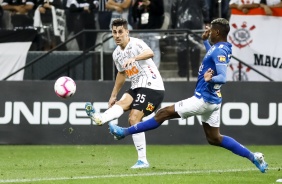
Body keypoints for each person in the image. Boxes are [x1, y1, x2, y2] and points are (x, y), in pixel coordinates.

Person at [108, 18, 268, 173]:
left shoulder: (219, 50)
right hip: (214, 100)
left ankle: (124, 132)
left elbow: (222, 77)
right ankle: (254, 157)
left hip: (203, 99)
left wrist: (210, 78)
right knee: (215, 138)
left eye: (211, 30)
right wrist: (206, 41)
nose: (208, 32)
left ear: (217, 32)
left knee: (162, 114)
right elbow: (213, 56)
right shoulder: (219, 47)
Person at [85, 18, 165, 169]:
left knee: (133, 118)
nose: (117, 35)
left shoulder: (135, 43)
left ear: (127, 32)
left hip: (152, 86)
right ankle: (100, 118)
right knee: (121, 103)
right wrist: (113, 95)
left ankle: (143, 160)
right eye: (114, 32)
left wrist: (134, 57)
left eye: (120, 32)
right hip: (136, 86)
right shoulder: (116, 54)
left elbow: (150, 52)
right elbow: (121, 74)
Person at [171, 0, 210, 78]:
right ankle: (195, 71)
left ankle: (182, 72)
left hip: (181, 21)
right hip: (196, 20)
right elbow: (205, 7)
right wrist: (207, 20)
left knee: (182, 47)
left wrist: (173, 24)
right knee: (195, 46)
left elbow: (174, 9)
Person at [132, 0, 164, 68]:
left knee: (154, 49)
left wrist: (150, 4)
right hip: (142, 29)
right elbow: (134, 14)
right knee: (142, 50)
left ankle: (155, 70)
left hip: (153, 28)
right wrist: (140, 6)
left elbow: (160, 11)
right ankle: (144, 69)